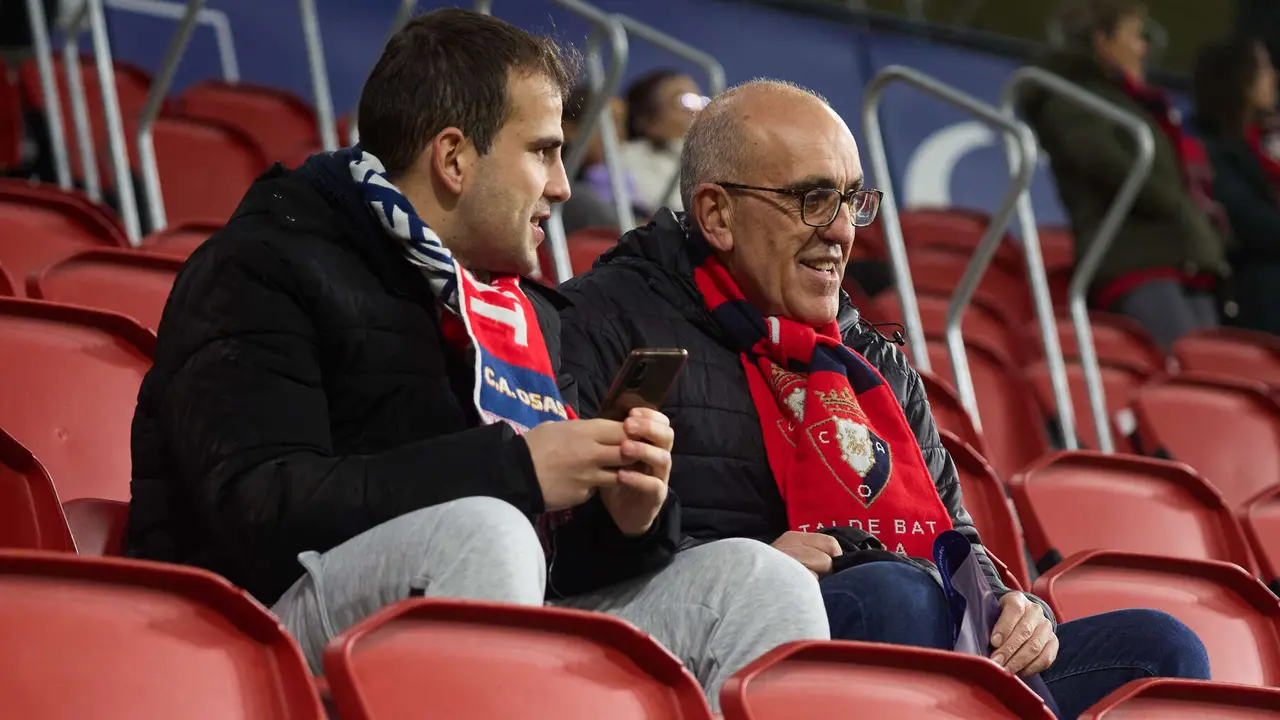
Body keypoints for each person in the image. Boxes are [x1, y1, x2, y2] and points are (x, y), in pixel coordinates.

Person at [124, 10, 829, 708]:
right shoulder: (260, 267)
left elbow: (557, 567)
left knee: (762, 582)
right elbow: (256, 507)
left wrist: (625, 516)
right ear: (454, 159)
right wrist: (514, 471)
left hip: (485, 616)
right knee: (487, 534)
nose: (562, 185)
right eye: (543, 152)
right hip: (247, 629)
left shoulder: (527, 314)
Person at [558, 79, 1211, 720]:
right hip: (739, 624)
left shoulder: (873, 360)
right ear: (717, 215)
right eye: (814, 200)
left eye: (851, 201)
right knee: (900, 596)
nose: (843, 231)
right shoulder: (609, 318)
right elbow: (567, 535)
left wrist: (1019, 610)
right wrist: (751, 567)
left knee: (1160, 647)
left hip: (914, 613)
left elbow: (955, 537)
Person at [1023, 0, 1231, 351]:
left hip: (1183, 260)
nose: (1144, 48)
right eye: (1134, 36)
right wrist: (1175, 201)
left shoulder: (1132, 103)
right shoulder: (1073, 100)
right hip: (1134, 262)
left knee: (1208, 373)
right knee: (1179, 369)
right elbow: (1106, 162)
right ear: (1103, 41)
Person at [1193, 37, 1280, 336]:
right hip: (1248, 284)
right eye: (1264, 68)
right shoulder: (1210, 149)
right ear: (1240, 81)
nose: (1273, 76)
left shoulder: (1258, 146)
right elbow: (1250, 221)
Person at [560, 85, 646, 235]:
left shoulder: (615, 178)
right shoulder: (572, 193)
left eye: (622, 123)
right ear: (570, 129)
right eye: (610, 123)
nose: (620, 134)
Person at [620, 69, 705, 215]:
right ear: (647, 120)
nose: (697, 110)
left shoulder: (716, 158)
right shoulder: (629, 158)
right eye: (684, 101)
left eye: (700, 100)